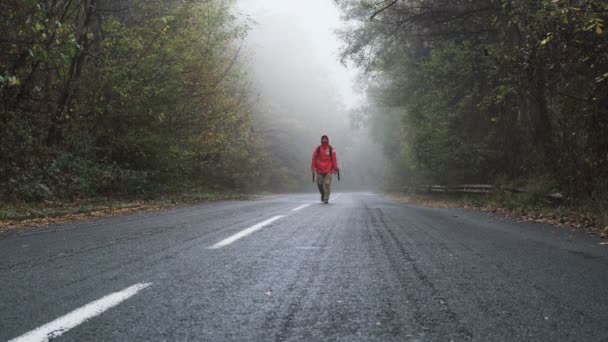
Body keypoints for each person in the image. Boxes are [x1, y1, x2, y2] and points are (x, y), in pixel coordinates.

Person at [311, 135, 339, 204]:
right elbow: (314, 158)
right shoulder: (318, 149)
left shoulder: (331, 149)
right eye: (323, 139)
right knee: (319, 183)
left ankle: (326, 198)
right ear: (321, 140)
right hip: (319, 170)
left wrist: (335, 168)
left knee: (327, 184)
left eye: (325, 139)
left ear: (327, 140)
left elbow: (334, 159)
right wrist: (313, 167)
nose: (324, 140)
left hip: (328, 170)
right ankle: (323, 194)